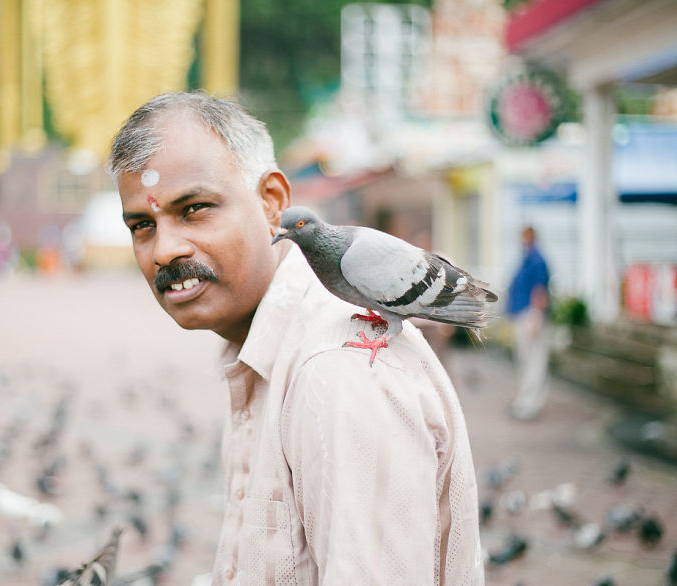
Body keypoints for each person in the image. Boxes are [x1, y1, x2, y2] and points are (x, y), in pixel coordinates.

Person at [110, 92, 483, 584]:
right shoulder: (262, 350)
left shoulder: (338, 374)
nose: (164, 250)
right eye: (142, 225)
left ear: (272, 204)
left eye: (195, 209)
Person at [506, 226, 551, 420]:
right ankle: (525, 399)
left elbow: (540, 290)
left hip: (530, 315)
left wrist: (536, 316)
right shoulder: (526, 258)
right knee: (526, 360)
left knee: (534, 361)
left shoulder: (536, 259)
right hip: (523, 314)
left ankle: (531, 402)